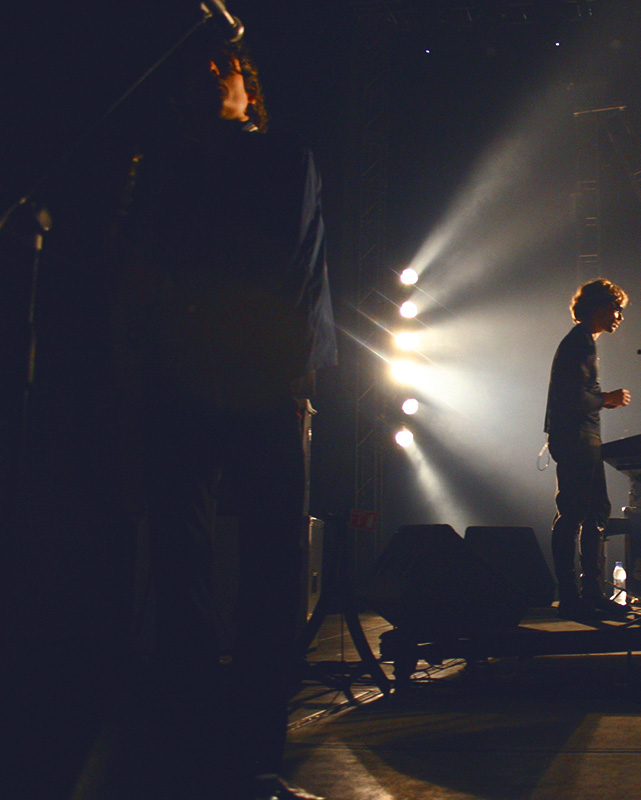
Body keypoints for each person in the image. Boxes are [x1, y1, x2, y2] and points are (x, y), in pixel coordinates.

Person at [115, 32, 334, 800]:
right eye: (201, 67)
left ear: (248, 88)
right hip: (186, 380)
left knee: (268, 573)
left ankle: (253, 760)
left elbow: (285, 268)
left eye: (226, 66)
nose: (213, 72)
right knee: (184, 569)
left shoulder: (280, 157)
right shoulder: (162, 166)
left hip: (261, 379)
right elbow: (139, 272)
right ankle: (198, 754)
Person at [544, 279, 632, 620]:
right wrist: (605, 398)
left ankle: (591, 593)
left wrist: (600, 400)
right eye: (616, 309)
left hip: (584, 437)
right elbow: (572, 397)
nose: (620, 316)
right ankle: (571, 596)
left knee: (595, 513)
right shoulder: (578, 343)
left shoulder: (582, 342)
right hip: (576, 438)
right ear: (598, 307)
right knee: (575, 513)